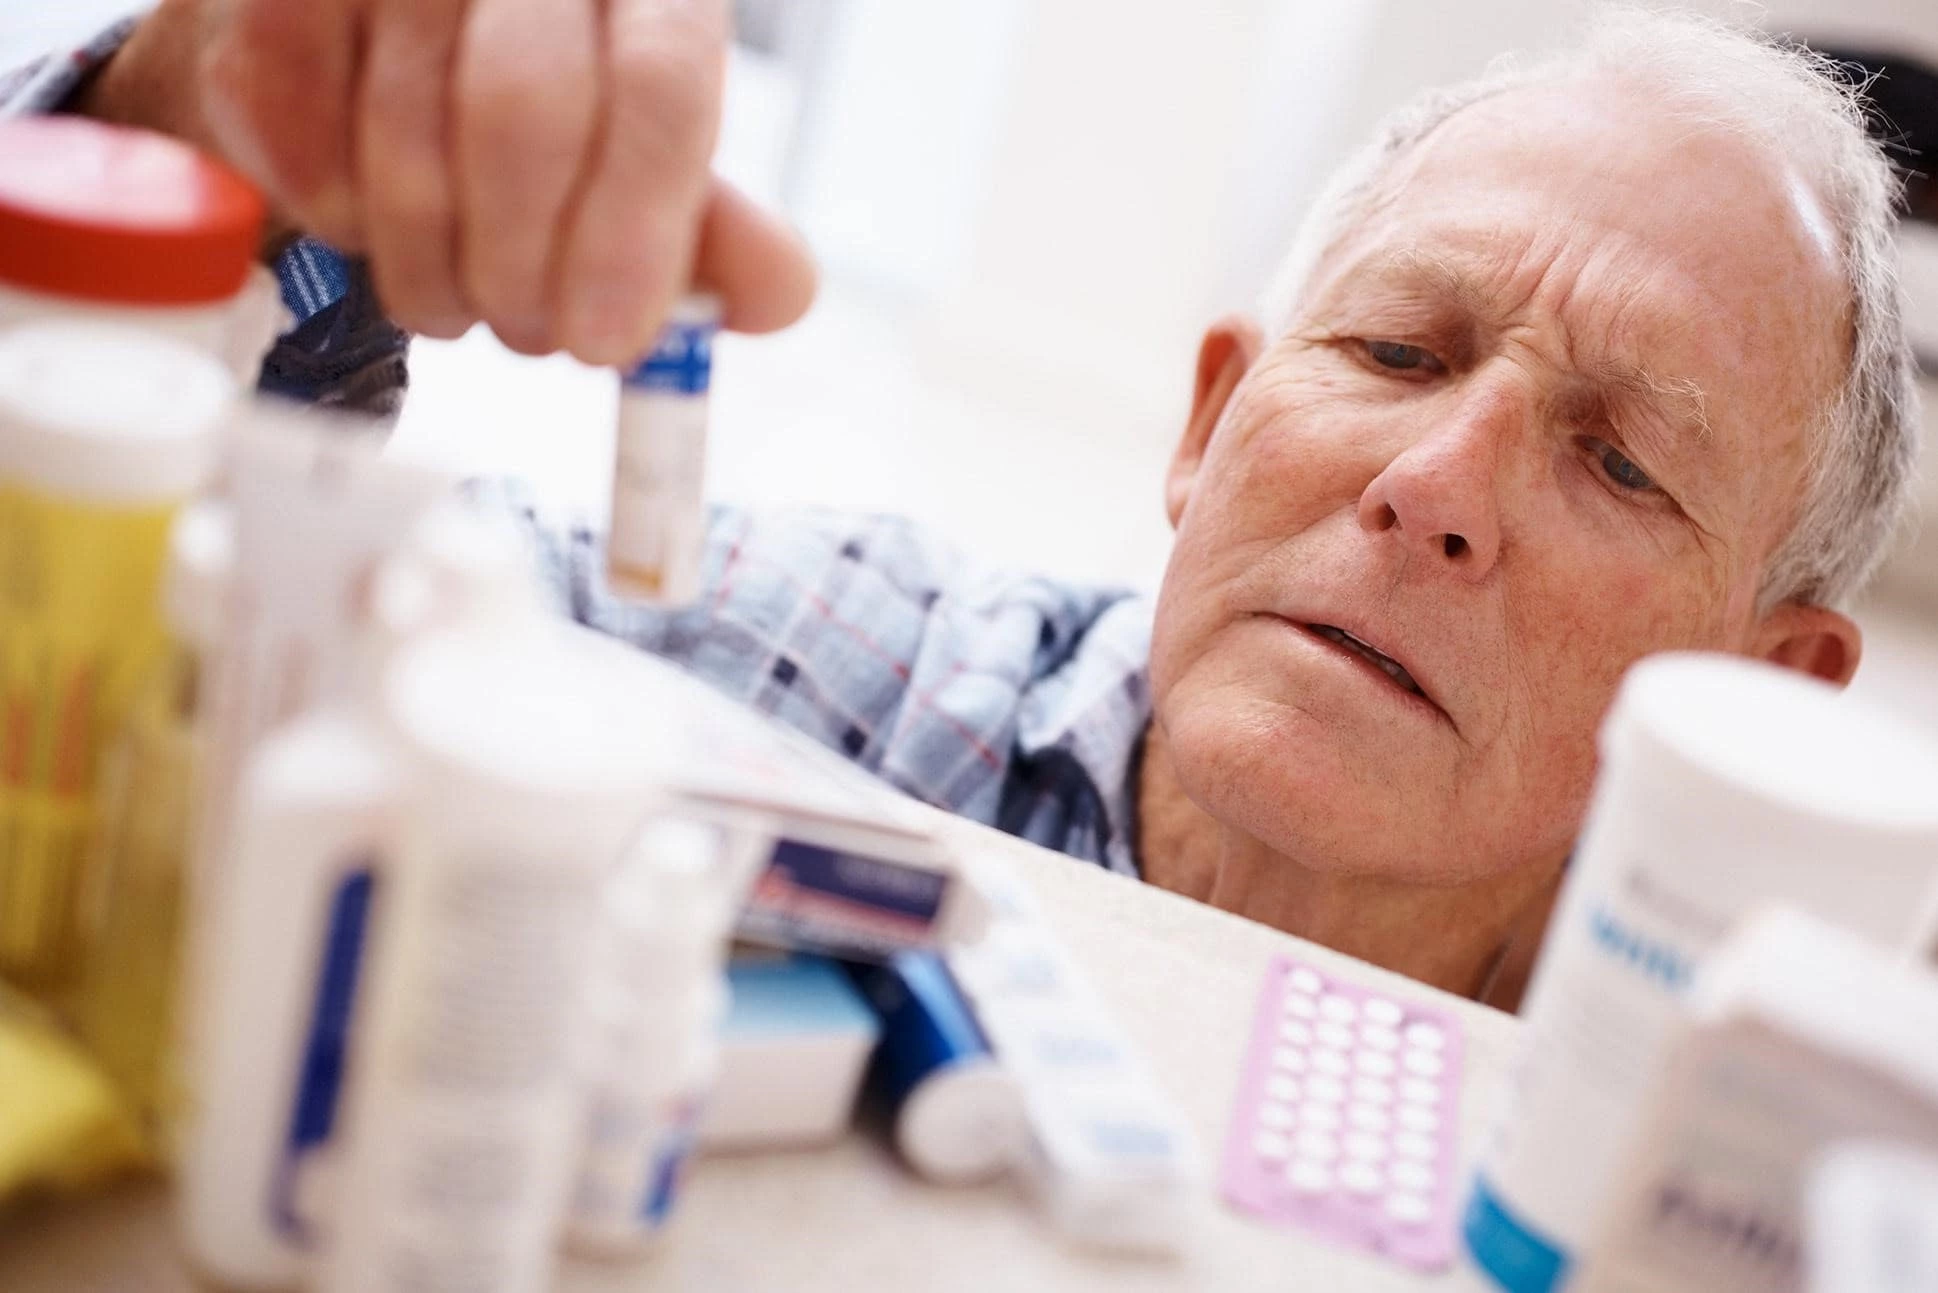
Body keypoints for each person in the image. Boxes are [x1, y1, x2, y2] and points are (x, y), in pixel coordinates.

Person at [6, 5, 1922, 1009]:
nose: (1432, 492)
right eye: (1399, 355)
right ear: (1209, 418)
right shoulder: (800, 670)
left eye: (1614, 459)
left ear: (1765, 682)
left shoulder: (1764, 1135)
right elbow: (156, 652)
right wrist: (183, 142)